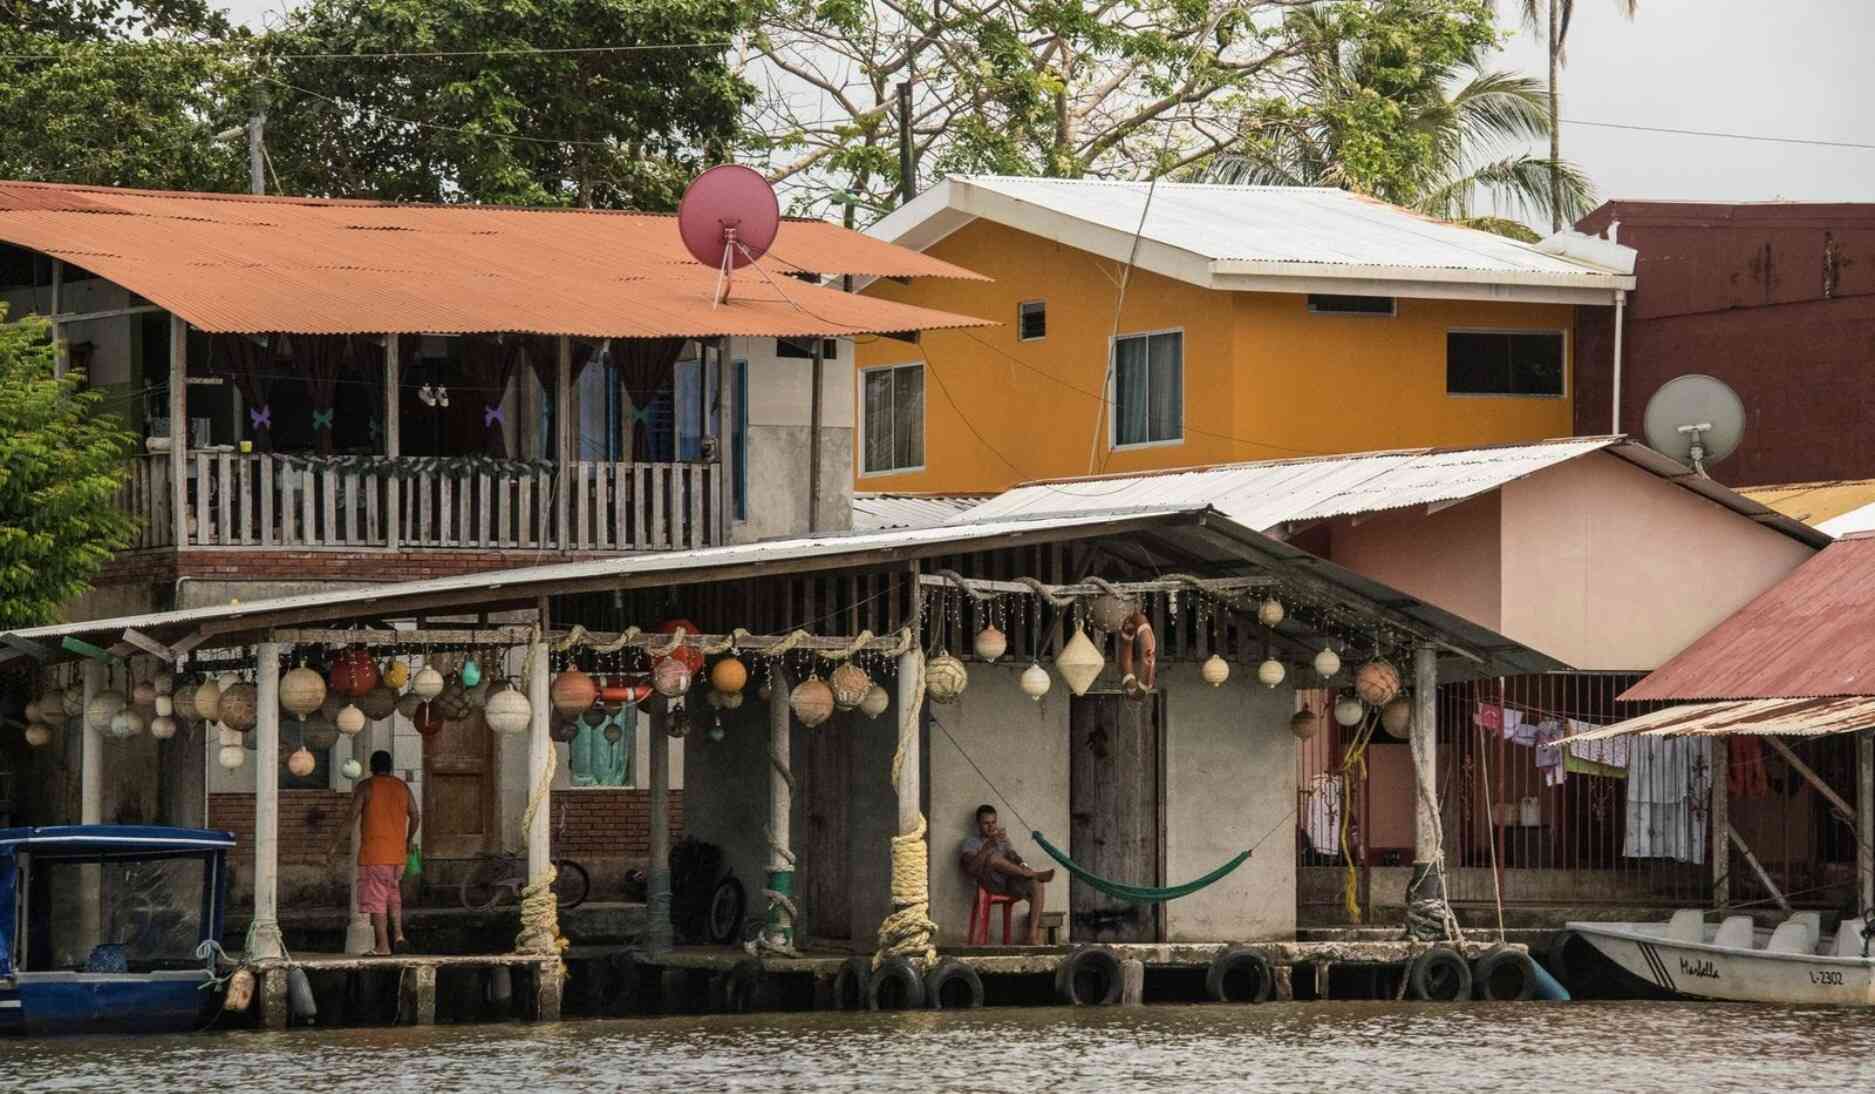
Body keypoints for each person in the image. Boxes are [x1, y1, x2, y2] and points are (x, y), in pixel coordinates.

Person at [329, 750, 419, 955]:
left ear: (371, 767)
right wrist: (408, 839)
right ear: (390, 766)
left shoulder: (367, 786)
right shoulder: (402, 787)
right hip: (398, 856)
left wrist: (334, 845)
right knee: (393, 895)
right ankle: (399, 935)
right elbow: (415, 815)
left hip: (375, 855)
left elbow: (351, 817)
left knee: (377, 900)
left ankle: (383, 946)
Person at [959, 804, 1054, 945]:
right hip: (989, 884)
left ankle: (1031, 936)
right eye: (986, 823)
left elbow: (1015, 856)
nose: (991, 827)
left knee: (1037, 885)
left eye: (993, 822)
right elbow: (972, 868)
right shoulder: (970, 842)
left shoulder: (1001, 840)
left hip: (1010, 882)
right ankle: (1033, 874)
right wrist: (988, 846)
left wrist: (1022, 863)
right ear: (978, 824)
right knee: (993, 858)